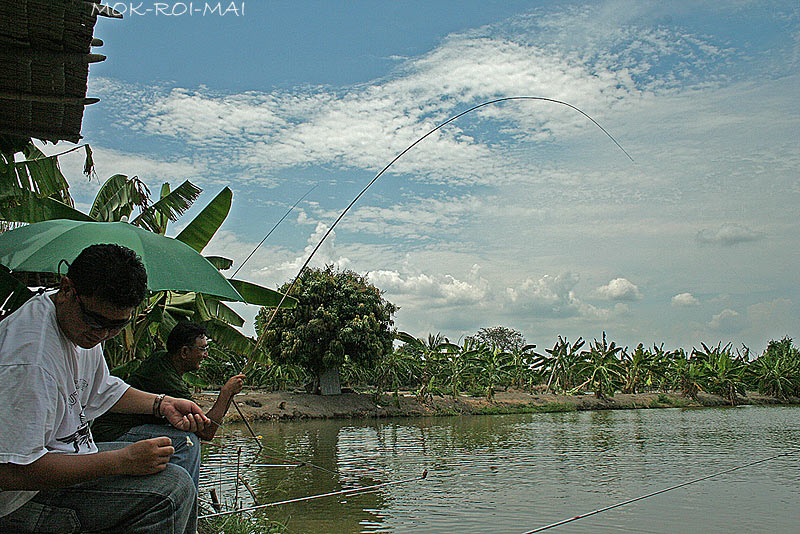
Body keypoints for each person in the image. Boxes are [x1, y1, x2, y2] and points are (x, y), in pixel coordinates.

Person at [0, 243, 210, 534]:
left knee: (180, 446)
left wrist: (162, 404)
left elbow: (102, 389)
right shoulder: (29, 360)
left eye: (117, 326)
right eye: (96, 322)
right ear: (66, 289)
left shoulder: (77, 327)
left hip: (71, 457)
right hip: (20, 501)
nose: (103, 335)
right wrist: (120, 461)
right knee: (171, 489)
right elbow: (11, 471)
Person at [92, 321, 245, 487]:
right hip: (112, 433)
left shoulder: (161, 360)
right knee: (187, 440)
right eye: (202, 349)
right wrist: (225, 394)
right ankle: (183, 501)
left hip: (117, 429)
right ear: (185, 352)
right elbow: (206, 431)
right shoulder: (165, 377)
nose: (206, 355)